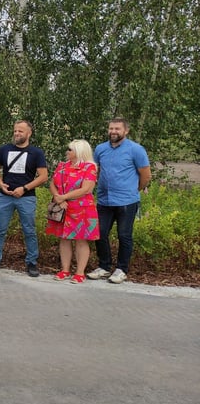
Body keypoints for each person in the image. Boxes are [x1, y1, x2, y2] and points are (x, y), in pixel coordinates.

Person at [88, 118, 151, 284]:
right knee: (99, 233)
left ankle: (121, 269)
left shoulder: (136, 150)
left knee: (124, 236)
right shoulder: (101, 149)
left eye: (117, 128)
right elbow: (97, 171)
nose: (113, 131)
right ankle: (104, 266)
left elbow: (146, 175)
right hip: (104, 200)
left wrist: (133, 190)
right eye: (111, 128)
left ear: (126, 131)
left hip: (126, 202)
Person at [0, 120, 49, 277]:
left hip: (26, 198)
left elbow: (44, 176)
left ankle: (32, 263)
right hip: (5, 197)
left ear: (29, 133)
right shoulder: (5, 149)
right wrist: (1, 183)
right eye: (15, 131)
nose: (17, 134)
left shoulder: (36, 153)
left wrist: (24, 188)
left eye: (20, 131)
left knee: (29, 231)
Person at [46, 140, 100, 284]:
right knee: (64, 238)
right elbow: (52, 183)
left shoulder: (90, 167)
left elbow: (86, 189)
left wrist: (64, 197)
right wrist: (58, 198)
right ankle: (65, 270)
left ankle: (80, 272)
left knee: (81, 240)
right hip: (62, 207)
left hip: (81, 208)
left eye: (70, 149)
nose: (67, 151)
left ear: (79, 151)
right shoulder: (62, 166)